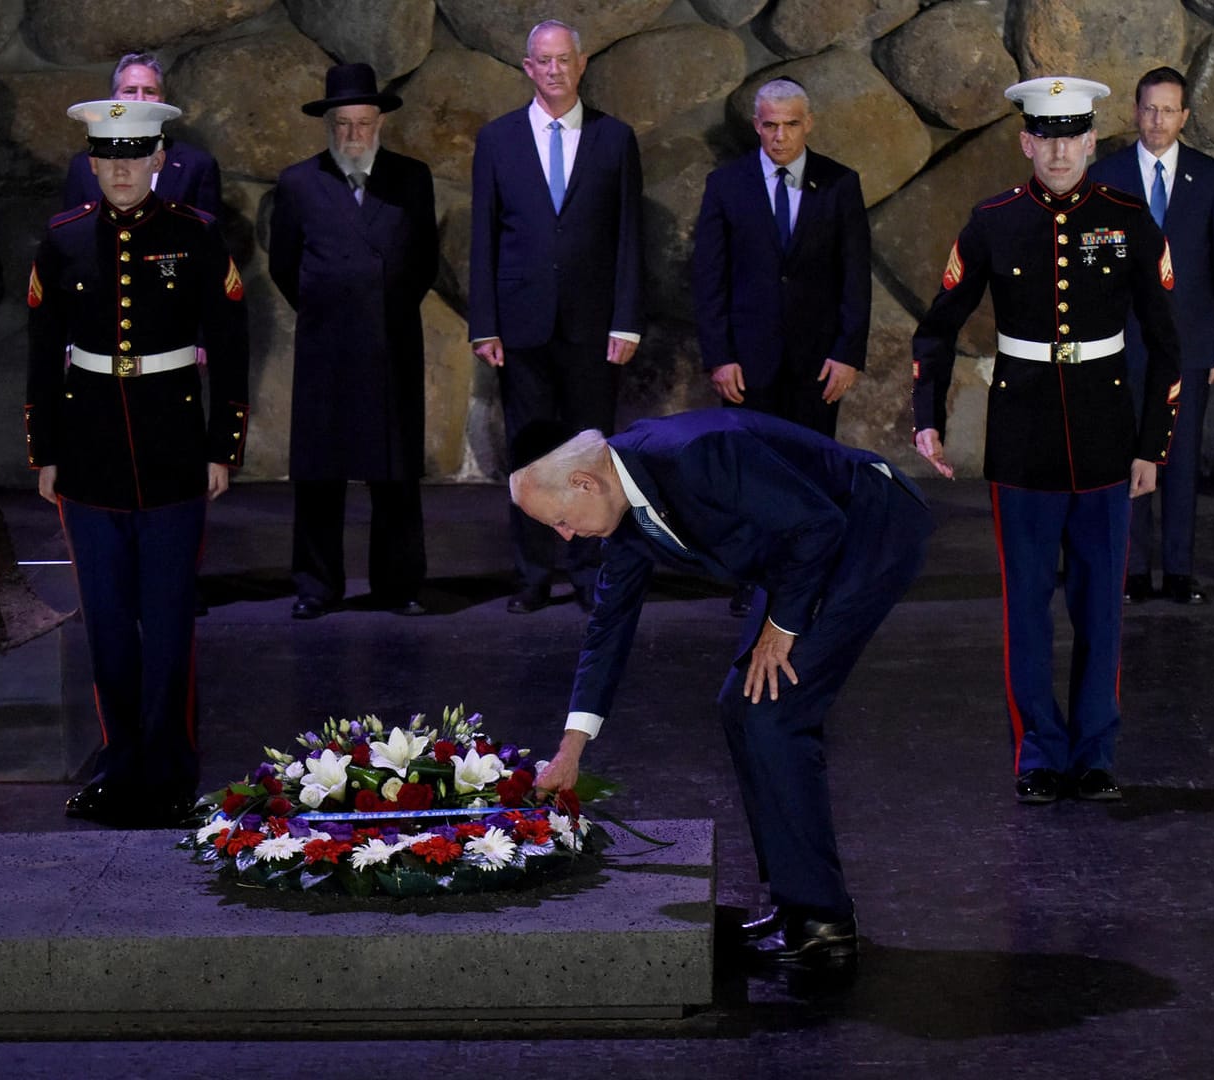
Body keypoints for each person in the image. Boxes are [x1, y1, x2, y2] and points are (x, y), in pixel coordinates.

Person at [514, 409, 931, 969]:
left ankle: (824, 924)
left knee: (774, 715)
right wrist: (572, 750)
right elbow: (608, 627)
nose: (566, 537)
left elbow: (819, 524)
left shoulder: (698, 455)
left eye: (561, 521)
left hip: (866, 526)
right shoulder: (623, 508)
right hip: (799, 550)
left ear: (585, 483)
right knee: (743, 708)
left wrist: (781, 628)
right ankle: (796, 905)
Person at [911, 77, 1182, 805]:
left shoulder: (1128, 221)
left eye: (1073, 136)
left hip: (1104, 434)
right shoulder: (993, 221)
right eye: (1046, 136)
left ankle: (1094, 755)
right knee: (1026, 608)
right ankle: (1037, 754)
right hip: (1023, 439)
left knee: (1101, 609)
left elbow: (1166, 344)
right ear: (1026, 141)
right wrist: (926, 412)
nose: (1060, 150)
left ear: (1093, 140)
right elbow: (937, 325)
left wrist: (1152, 443)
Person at [26, 98, 250, 825]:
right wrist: (45, 451)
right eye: (108, 157)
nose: (122, 169)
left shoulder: (198, 236)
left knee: (169, 620)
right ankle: (119, 764)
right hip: (88, 455)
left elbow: (233, 346)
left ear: (160, 159)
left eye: (136, 155)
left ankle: (170, 771)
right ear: (92, 165)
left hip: (173, 452)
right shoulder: (63, 240)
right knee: (108, 624)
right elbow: (39, 354)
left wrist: (224, 446)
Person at [470, 19, 644, 615]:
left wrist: (626, 319)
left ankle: (590, 571)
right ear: (527, 68)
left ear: (582, 63)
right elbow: (484, 237)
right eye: (542, 61)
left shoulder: (614, 139)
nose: (554, 70)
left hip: (593, 327)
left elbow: (629, 237)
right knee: (529, 452)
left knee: (592, 453)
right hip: (520, 326)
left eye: (563, 60)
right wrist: (484, 323)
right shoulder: (498, 140)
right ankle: (533, 575)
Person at [692, 76, 871, 616]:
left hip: (818, 364)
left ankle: (810, 578)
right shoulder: (727, 185)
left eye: (791, 124)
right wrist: (720, 356)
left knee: (813, 474)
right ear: (756, 125)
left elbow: (854, 277)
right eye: (770, 124)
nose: (780, 135)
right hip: (748, 363)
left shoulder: (840, 184)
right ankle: (753, 578)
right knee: (750, 474)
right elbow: (710, 279)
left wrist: (848, 353)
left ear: (808, 124)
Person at [269, 63, 438, 619]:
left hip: (392, 343)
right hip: (326, 345)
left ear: (380, 124)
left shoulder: (412, 179)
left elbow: (423, 263)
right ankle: (315, 586)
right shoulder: (298, 183)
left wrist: (382, 306)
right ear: (328, 126)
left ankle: (400, 584)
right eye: (342, 124)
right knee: (319, 473)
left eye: (363, 124)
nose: (353, 135)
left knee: (394, 473)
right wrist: (329, 307)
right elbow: (285, 265)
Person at [1089, 67, 1214, 606]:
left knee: (1180, 456)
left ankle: (1179, 571)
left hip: (1191, 344)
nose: (1158, 120)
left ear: (1185, 117)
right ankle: (1130, 570)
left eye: (1169, 110)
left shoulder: (1211, 177)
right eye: (1149, 108)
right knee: (1128, 454)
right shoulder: (1105, 174)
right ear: (1136, 111)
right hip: (1121, 343)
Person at [62, 52, 221, 215]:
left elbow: (208, 237)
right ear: (113, 101)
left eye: (150, 91)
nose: (140, 99)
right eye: (130, 91)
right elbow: (71, 234)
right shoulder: (83, 166)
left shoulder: (197, 166)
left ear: (162, 99)